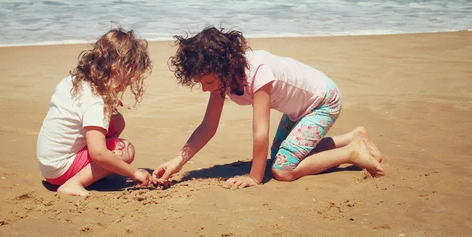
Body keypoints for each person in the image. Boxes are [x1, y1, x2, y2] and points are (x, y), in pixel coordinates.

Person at [153, 26, 384, 189]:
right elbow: (208, 126)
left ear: (225, 67)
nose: (205, 89)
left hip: (323, 101)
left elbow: (260, 131)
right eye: (201, 83)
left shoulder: (258, 72)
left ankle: (350, 153)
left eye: (209, 82)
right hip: (299, 108)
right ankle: (354, 137)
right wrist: (178, 161)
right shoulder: (222, 81)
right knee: (279, 156)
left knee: (282, 169)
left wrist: (254, 177)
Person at [37, 27, 153, 197]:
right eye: (128, 79)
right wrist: (134, 173)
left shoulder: (74, 81)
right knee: (125, 150)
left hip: (49, 164)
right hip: (61, 169)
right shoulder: (95, 101)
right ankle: (74, 183)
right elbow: (98, 153)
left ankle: (94, 172)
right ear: (117, 69)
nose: (127, 85)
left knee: (117, 120)